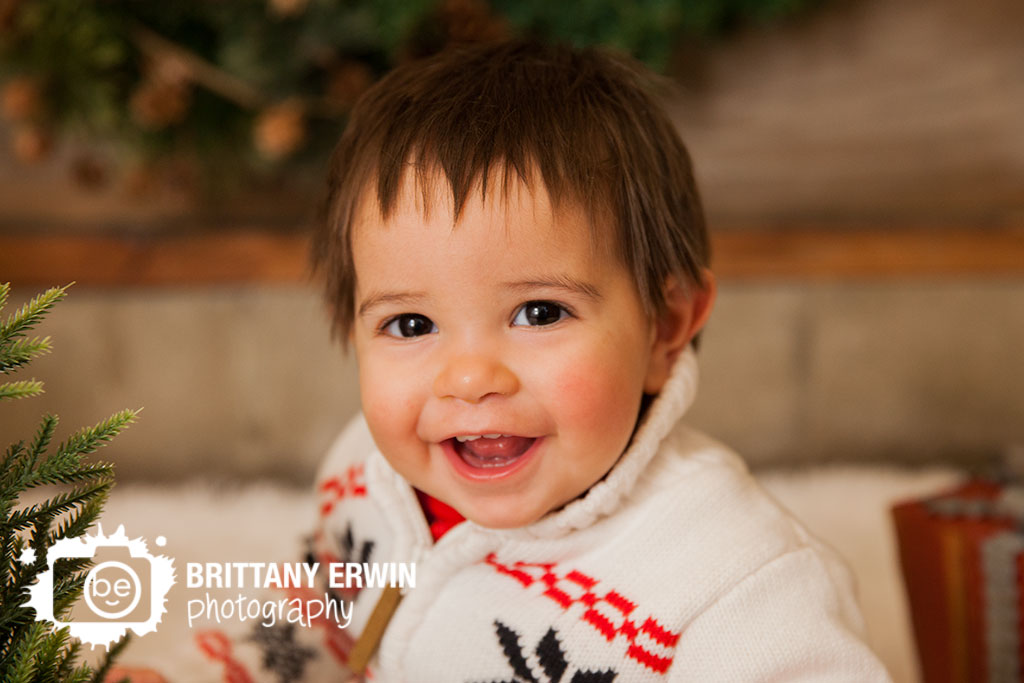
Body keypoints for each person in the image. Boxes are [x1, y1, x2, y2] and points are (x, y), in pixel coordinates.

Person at [119, 39, 891, 682]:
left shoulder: (736, 583)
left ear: (665, 326)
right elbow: (326, 620)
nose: (469, 377)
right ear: (348, 327)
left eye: (539, 312)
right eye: (411, 322)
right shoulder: (368, 470)